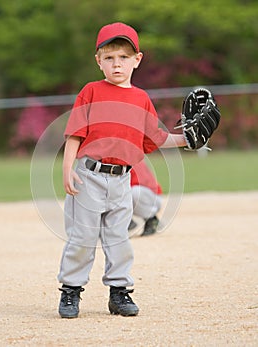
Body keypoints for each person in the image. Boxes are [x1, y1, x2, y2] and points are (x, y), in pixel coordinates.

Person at [58, 22, 187, 319]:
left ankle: (119, 293)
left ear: (137, 59)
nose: (117, 64)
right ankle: (71, 291)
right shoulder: (91, 91)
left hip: (122, 181)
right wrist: (68, 169)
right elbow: (75, 133)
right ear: (98, 61)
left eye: (124, 57)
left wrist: (188, 139)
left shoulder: (141, 98)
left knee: (119, 239)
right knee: (83, 237)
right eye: (110, 57)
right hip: (88, 176)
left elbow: (156, 138)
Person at [129, 159, 163, 236]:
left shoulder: (130, 158)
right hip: (146, 194)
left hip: (151, 197)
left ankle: (151, 219)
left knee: (134, 192)